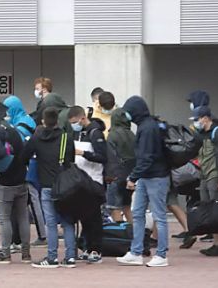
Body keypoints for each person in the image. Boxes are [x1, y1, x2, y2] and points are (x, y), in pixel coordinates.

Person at [116, 96, 171, 268]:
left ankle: (161, 255)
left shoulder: (147, 128)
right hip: (148, 176)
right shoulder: (147, 125)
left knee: (159, 216)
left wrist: (133, 177)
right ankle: (136, 251)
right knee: (138, 213)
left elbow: (146, 158)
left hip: (155, 177)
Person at [21, 107, 76, 268]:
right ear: (57, 120)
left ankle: (52, 257)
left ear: (43, 121)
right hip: (65, 185)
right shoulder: (66, 137)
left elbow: (24, 156)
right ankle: (70, 257)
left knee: (50, 223)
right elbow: (70, 159)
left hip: (46, 184)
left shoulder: (37, 138)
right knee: (67, 221)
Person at [4, 95, 46, 246]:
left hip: (29, 167)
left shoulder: (22, 125)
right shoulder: (25, 119)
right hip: (30, 165)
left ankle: (42, 235)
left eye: (8, 109)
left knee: (33, 201)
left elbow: (19, 144)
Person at [0, 113, 30, 265]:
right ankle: (26, 253)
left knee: (4, 218)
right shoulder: (15, 132)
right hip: (21, 179)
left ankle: (5, 252)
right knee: (23, 217)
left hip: (5, 182)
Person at [68, 106, 108, 264]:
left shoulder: (95, 133)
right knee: (84, 216)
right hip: (80, 180)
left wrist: (84, 153)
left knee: (94, 217)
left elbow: (103, 157)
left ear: (83, 118)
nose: (74, 125)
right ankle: (86, 246)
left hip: (94, 179)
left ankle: (96, 249)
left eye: (75, 122)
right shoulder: (78, 133)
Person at [190, 106, 218, 257]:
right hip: (205, 174)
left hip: (216, 175)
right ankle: (215, 244)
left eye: (197, 119)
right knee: (208, 209)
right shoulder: (203, 134)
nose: (196, 122)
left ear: (205, 118)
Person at [106, 108, 136, 224]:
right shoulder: (132, 134)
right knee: (127, 207)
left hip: (116, 176)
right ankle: (133, 233)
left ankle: (122, 235)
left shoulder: (112, 135)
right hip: (130, 176)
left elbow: (111, 157)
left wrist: (110, 176)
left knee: (115, 208)